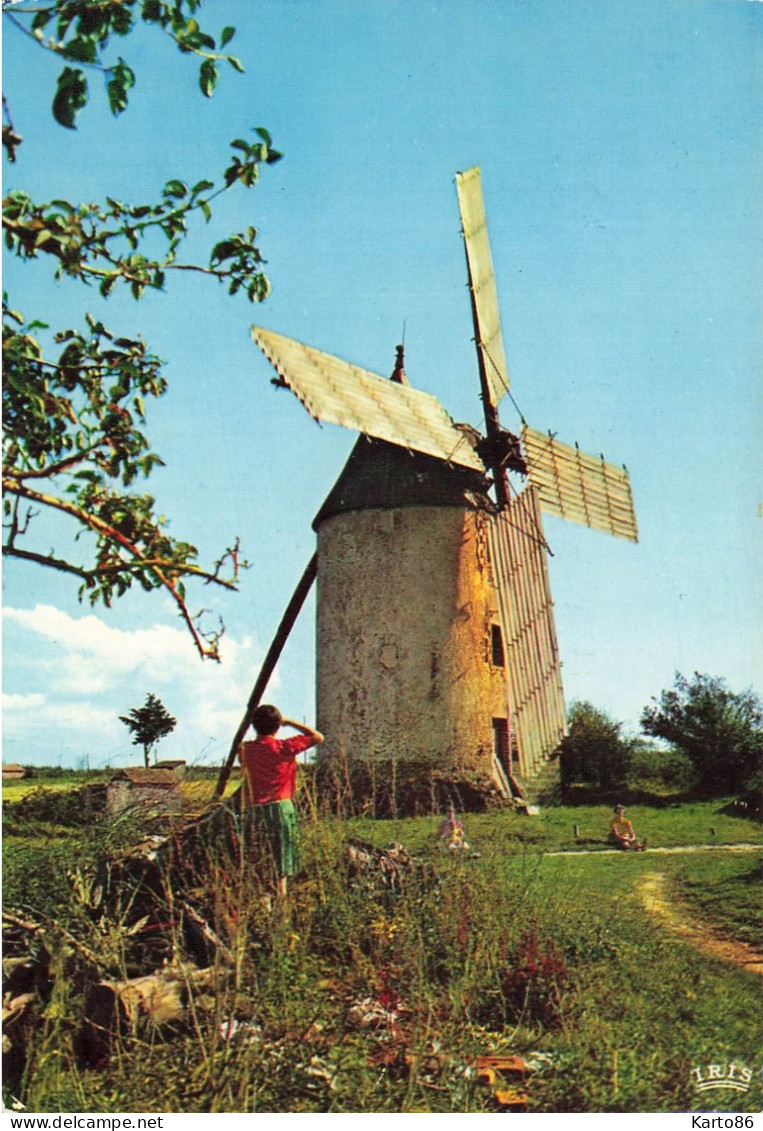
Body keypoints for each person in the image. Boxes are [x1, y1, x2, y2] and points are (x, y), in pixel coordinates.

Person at [238, 704, 324, 897]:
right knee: (281, 866)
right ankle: (281, 912)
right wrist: (289, 722)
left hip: (254, 810)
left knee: (258, 864)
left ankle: (263, 909)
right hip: (280, 809)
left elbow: (244, 759)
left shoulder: (244, 750)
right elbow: (318, 737)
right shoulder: (285, 747)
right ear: (277, 726)